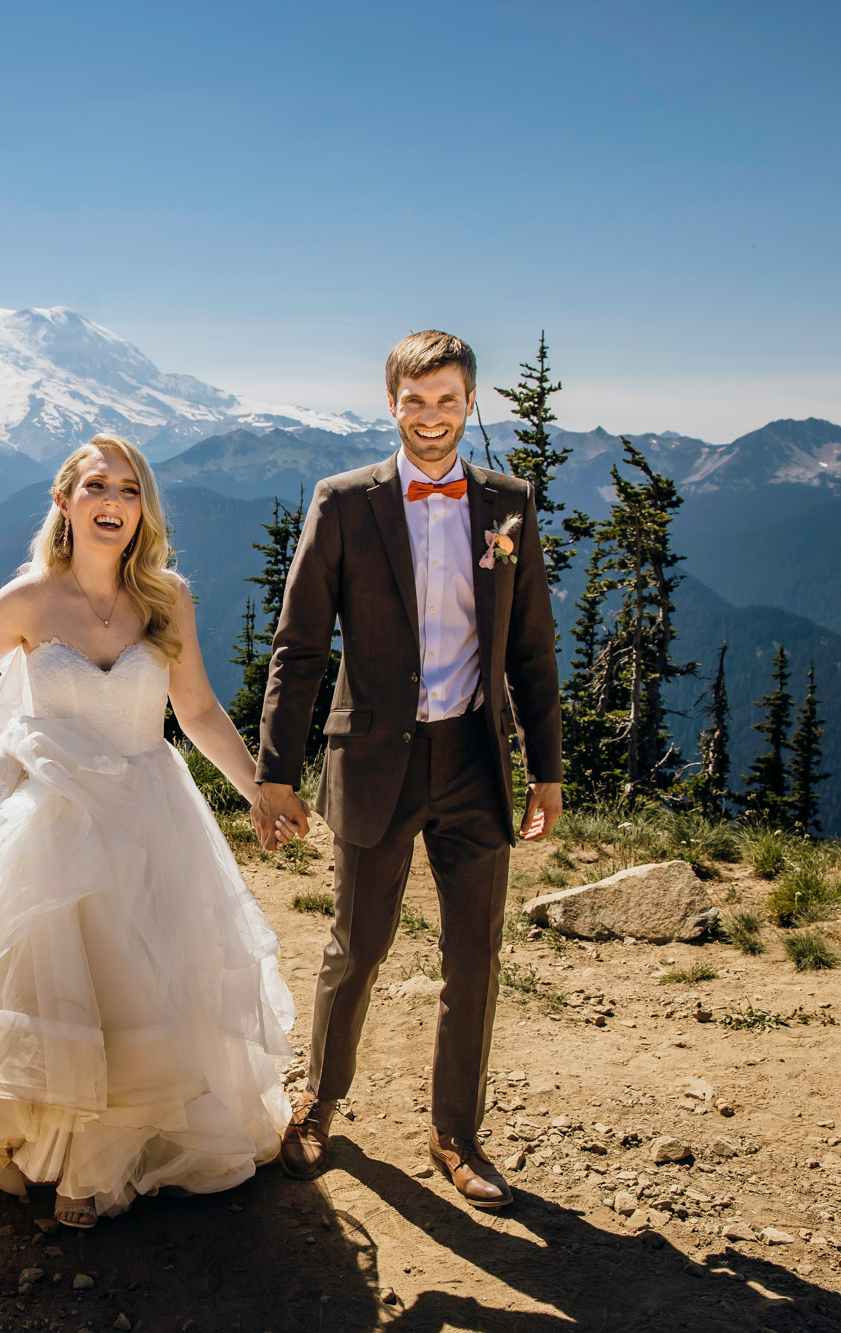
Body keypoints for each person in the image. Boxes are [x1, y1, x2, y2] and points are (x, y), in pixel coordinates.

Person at [0, 434, 296, 1229]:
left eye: (127, 488)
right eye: (95, 486)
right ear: (65, 501)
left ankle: (97, 1161)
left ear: (142, 507)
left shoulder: (166, 597)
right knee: (53, 986)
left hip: (150, 811)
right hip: (52, 812)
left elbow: (195, 710)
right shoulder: (31, 596)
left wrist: (258, 787)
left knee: (140, 989)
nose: (112, 501)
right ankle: (38, 1147)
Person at [253, 329, 563, 1209]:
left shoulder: (508, 504)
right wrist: (276, 771)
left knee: (476, 955)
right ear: (391, 403)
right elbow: (299, 644)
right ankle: (320, 1101)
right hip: (373, 759)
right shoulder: (345, 502)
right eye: (415, 401)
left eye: (449, 400)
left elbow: (533, 647)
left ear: (471, 404)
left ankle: (456, 1133)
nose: (432, 418)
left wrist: (547, 768)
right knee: (356, 946)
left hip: (475, 757)